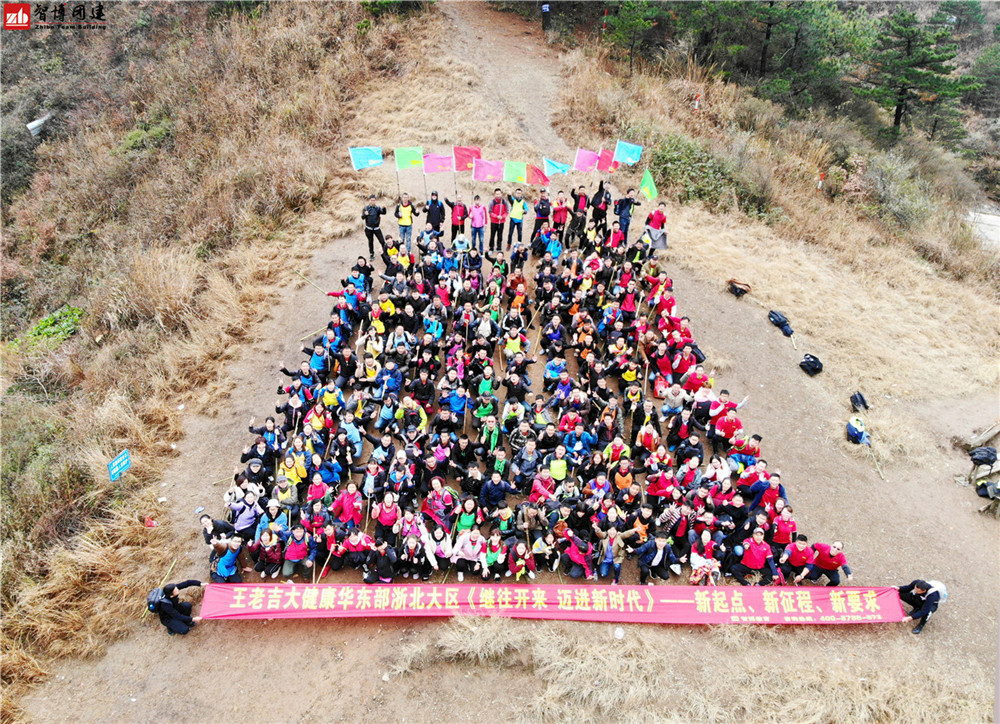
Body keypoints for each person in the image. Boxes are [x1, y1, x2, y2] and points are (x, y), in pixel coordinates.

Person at [362, 195, 387, 260]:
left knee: (382, 241)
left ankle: (385, 252)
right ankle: (372, 254)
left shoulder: (377, 208)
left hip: (376, 228)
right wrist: (365, 214)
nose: (373, 201)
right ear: (369, 200)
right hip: (368, 228)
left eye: (374, 200)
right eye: (371, 200)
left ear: (375, 201)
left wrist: (384, 208)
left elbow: (384, 213)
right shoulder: (366, 208)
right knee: (370, 241)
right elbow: (362, 217)